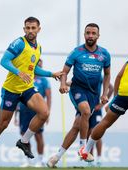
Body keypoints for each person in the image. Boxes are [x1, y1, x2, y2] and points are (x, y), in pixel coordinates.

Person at [0, 16, 62, 168]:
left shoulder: (39, 47)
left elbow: (33, 68)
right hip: (11, 89)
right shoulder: (18, 43)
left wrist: (52, 74)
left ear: (38, 29)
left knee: (44, 112)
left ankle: (23, 142)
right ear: (24, 29)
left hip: (27, 88)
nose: (30, 31)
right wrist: (18, 72)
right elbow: (3, 61)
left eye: (33, 28)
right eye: (28, 28)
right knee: (3, 124)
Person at [47, 23, 111, 167]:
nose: (90, 35)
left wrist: (105, 94)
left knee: (77, 126)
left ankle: (56, 157)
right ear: (84, 34)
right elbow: (64, 72)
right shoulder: (76, 52)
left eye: (93, 33)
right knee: (86, 111)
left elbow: (107, 75)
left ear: (98, 36)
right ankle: (83, 148)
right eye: (88, 33)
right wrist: (63, 84)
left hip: (93, 95)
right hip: (77, 89)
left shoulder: (104, 54)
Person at [79, 44, 128, 162]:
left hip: (124, 92)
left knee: (105, 122)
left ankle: (85, 151)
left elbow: (119, 76)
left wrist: (114, 100)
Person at [14, 59, 51, 167]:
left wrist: (47, 112)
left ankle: (40, 159)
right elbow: (18, 95)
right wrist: (15, 115)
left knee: (38, 135)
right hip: (23, 111)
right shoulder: (26, 77)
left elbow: (49, 98)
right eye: (37, 65)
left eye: (40, 65)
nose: (39, 67)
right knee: (24, 136)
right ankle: (28, 160)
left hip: (37, 113)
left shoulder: (44, 81)